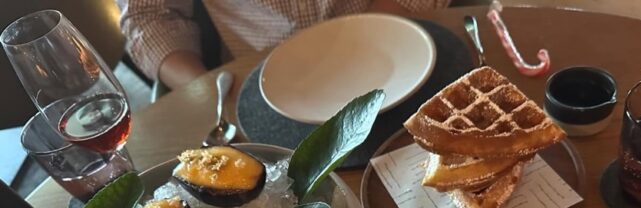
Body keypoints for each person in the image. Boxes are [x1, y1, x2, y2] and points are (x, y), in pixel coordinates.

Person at [117, 0, 451, 90]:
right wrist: (210, 93)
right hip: (255, 80)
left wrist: (373, 37)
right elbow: (148, 15)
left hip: (393, 39)